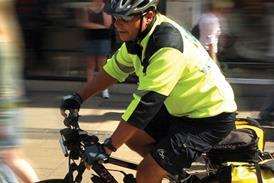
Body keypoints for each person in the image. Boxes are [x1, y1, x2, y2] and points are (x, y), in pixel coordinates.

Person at [60, 0, 238, 182]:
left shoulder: (166, 47)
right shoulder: (138, 36)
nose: (116, 24)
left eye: (125, 18)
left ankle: (161, 169)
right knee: (134, 137)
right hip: (181, 106)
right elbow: (113, 70)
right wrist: (78, 98)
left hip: (209, 116)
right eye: (115, 17)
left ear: (149, 16)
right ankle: (175, 174)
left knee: (147, 171)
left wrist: (108, 148)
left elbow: (144, 105)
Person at [0, 0, 39, 182]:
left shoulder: (2, 43)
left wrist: (3, 122)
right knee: (9, 159)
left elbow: (4, 87)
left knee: (8, 159)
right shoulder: (8, 37)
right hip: (8, 108)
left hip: (4, 109)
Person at [76, 0, 113, 99]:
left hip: (103, 39)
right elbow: (84, 23)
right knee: (90, 66)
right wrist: (100, 27)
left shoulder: (106, 7)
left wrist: (93, 25)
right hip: (89, 39)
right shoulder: (86, 7)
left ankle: (104, 90)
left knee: (102, 66)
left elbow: (108, 24)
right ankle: (89, 90)